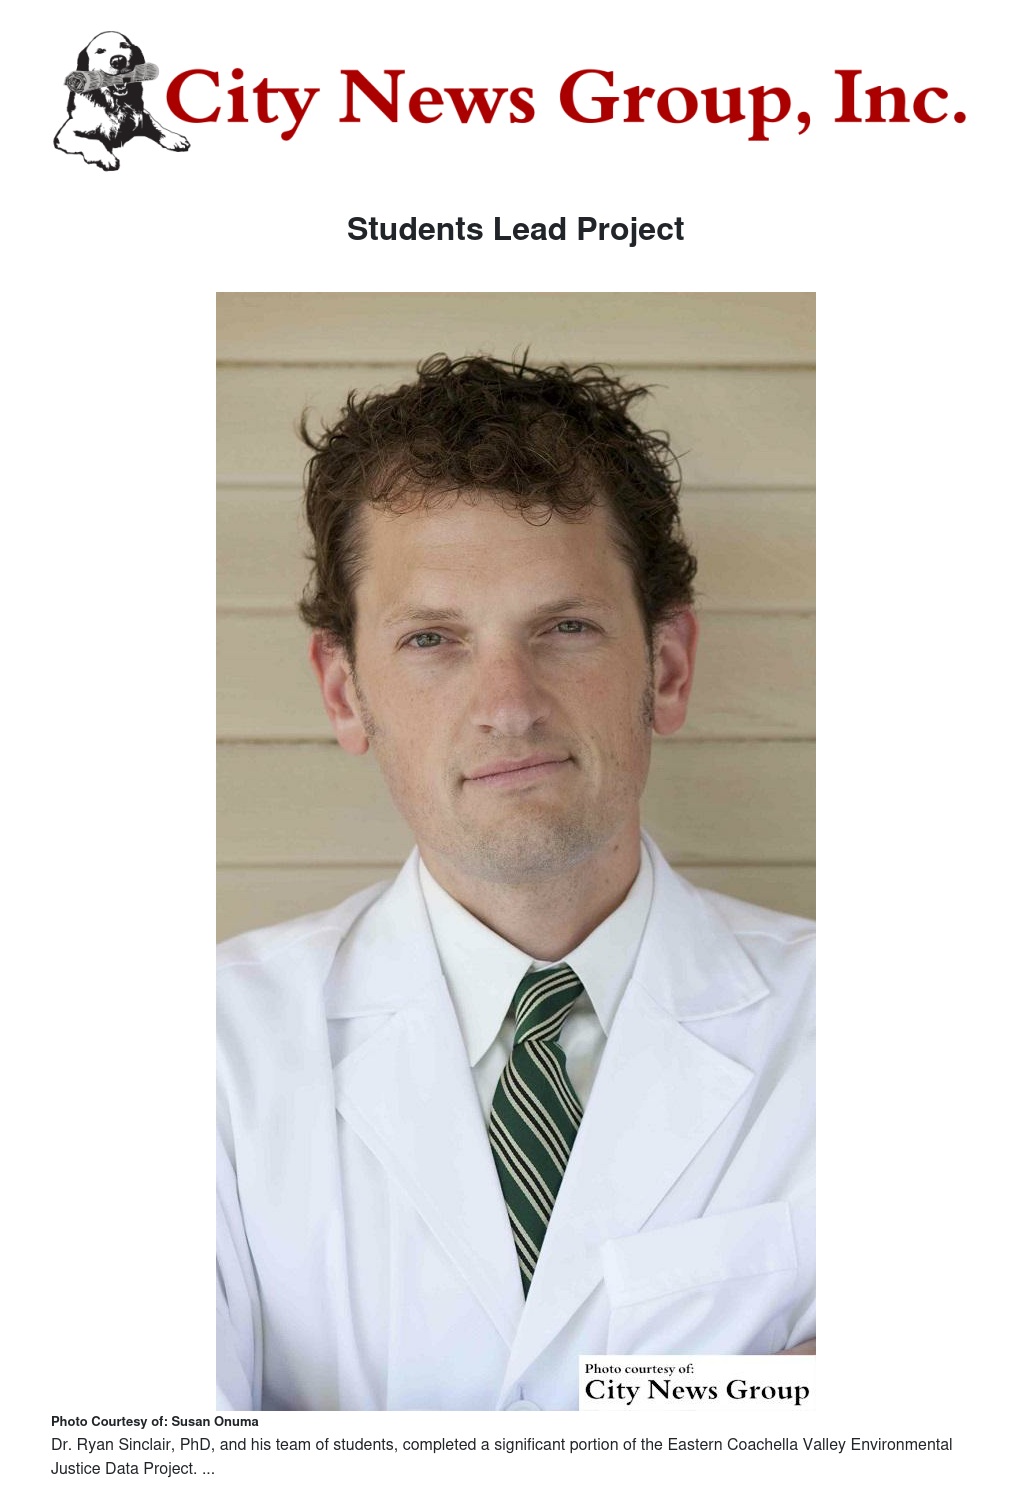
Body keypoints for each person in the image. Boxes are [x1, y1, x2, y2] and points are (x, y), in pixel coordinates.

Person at [216, 354, 815, 1412]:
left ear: (668, 668)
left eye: (565, 627)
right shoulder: (209, 1049)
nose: (508, 703)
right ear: (345, 693)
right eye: (432, 639)